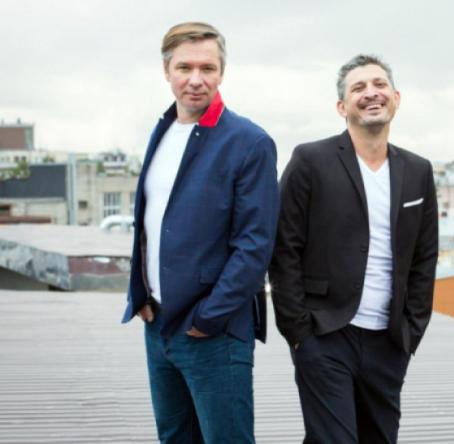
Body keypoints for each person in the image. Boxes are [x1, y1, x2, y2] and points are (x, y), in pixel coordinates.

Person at [121, 22, 279, 443]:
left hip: (213, 332)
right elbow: (151, 221)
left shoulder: (249, 142)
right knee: (174, 438)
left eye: (207, 68)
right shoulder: (162, 131)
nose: (195, 79)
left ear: (221, 72)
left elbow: (255, 245)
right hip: (158, 326)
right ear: (166, 71)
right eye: (184, 67)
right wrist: (140, 293)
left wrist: (208, 318)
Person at [269, 54, 439, 444]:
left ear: (396, 98)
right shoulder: (310, 160)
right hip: (324, 333)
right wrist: (299, 332)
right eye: (358, 88)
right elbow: (284, 247)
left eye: (379, 84)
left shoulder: (418, 170)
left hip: (389, 341)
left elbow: (425, 256)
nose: (371, 93)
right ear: (342, 107)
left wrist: (411, 331)